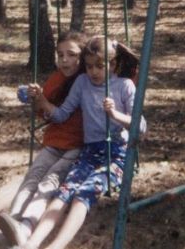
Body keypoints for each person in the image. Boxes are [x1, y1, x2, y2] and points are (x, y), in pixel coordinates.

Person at [17, 36, 147, 249]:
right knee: (64, 192)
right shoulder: (82, 82)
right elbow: (61, 115)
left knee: (82, 195)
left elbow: (140, 126)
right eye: (88, 67)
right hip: (89, 152)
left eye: (99, 66)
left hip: (117, 154)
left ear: (112, 64)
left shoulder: (124, 86)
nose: (93, 72)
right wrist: (42, 100)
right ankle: (30, 244)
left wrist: (115, 114)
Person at [0, 31, 87, 249]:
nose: (64, 60)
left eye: (72, 54)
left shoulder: (89, 81)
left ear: (83, 57)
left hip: (78, 146)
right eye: (60, 55)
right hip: (54, 141)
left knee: (49, 182)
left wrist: (43, 99)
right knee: (32, 177)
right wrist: (34, 98)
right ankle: (9, 227)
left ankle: (26, 226)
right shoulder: (57, 79)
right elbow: (44, 112)